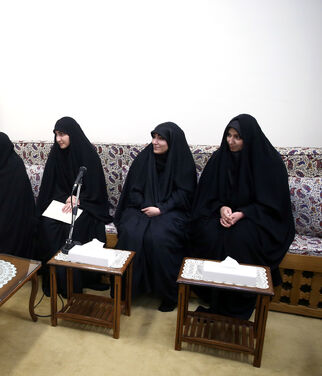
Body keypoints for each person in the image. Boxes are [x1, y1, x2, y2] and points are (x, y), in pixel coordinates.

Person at [190, 114, 295, 319]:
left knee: (239, 240)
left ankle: (236, 308)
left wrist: (243, 213)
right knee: (210, 234)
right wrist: (221, 208)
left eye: (237, 136)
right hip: (223, 216)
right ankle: (215, 299)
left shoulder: (269, 161)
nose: (231, 141)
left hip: (257, 219)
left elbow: (274, 205)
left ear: (248, 138)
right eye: (228, 135)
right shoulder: (220, 159)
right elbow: (206, 196)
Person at [114, 122, 196, 312]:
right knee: (131, 233)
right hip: (141, 208)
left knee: (159, 237)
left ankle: (168, 294)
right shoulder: (144, 158)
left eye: (160, 138)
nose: (155, 142)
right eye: (154, 137)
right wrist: (146, 205)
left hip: (172, 210)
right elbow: (133, 190)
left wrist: (161, 209)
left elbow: (184, 194)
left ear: (171, 142)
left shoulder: (182, 160)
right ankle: (128, 289)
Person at [36, 116, 112, 296]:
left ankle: (75, 283)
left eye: (62, 134)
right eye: (56, 135)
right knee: (48, 225)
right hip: (61, 204)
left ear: (72, 134)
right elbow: (50, 187)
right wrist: (65, 198)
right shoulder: (55, 155)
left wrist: (79, 199)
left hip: (86, 205)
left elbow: (96, 190)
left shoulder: (88, 155)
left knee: (75, 227)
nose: (58, 139)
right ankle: (55, 280)